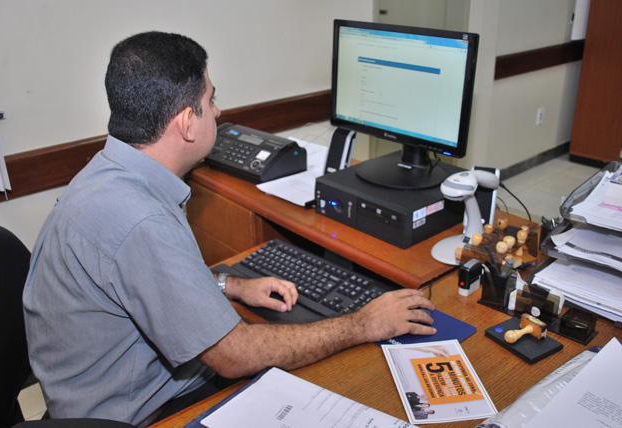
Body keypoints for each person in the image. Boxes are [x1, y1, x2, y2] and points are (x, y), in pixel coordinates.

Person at [22, 31, 436, 427]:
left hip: (89, 395)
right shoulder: (142, 220)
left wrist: (230, 286)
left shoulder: (107, 174)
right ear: (187, 123)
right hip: (143, 414)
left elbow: (142, 282)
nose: (218, 111)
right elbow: (235, 357)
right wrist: (363, 323)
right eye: (211, 99)